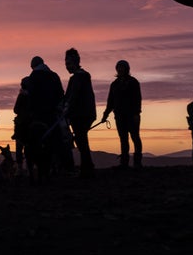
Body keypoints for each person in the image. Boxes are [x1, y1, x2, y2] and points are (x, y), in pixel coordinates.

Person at [27, 56, 72, 172]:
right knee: (58, 139)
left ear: (33, 66)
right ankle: (64, 166)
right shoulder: (54, 75)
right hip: (54, 113)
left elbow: (31, 96)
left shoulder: (33, 77)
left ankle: (46, 167)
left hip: (39, 115)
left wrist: (31, 112)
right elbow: (61, 94)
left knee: (41, 141)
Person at [101, 59, 143, 169]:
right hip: (119, 116)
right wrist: (105, 115)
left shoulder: (134, 82)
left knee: (135, 137)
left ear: (127, 69)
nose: (120, 69)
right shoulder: (114, 85)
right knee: (123, 139)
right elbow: (110, 102)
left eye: (122, 67)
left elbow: (137, 99)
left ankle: (137, 162)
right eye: (118, 67)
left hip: (132, 115)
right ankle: (124, 162)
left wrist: (136, 113)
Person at [62, 48, 97, 178]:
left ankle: (87, 169)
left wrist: (66, 108)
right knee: (81, 140)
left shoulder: (79, 77)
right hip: (83, 114)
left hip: (81, 115)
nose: (67, 67)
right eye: (66, 64)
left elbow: (73, 97)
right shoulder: (80, 77)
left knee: (81, 141)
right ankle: (87, 167)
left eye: (69, 64)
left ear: (76, 62)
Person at [12, 76, 33, 176]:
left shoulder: (21, 95)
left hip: (21, 124)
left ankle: (20, 168)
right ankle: (30, 168)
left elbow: (15, 109)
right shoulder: (34, 96)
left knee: (19, 146)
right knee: (31, 146)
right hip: (31, 123)